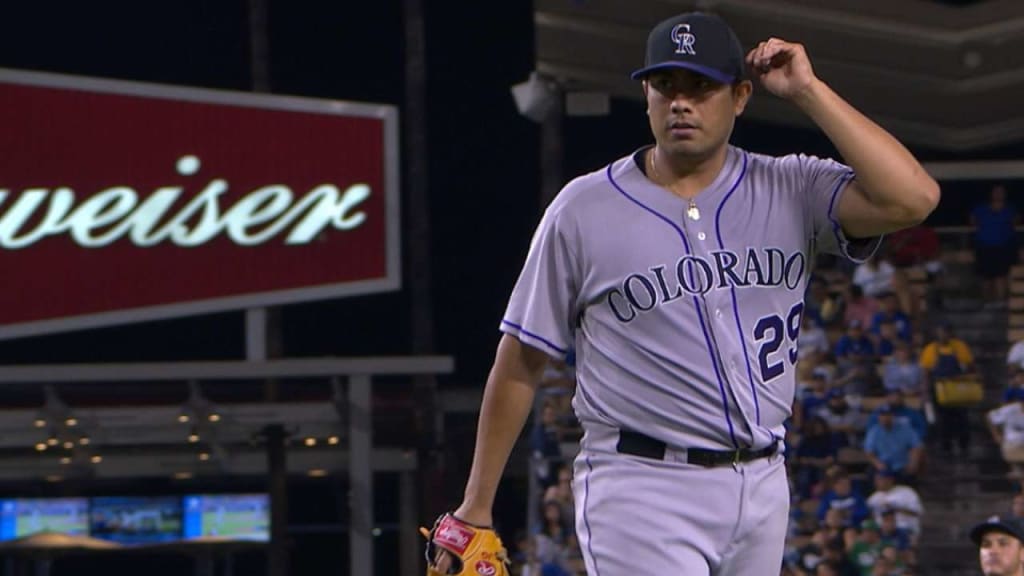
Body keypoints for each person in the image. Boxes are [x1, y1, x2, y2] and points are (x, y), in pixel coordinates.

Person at [430, 11, 939, 575]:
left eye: (701, 86)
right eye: (665, 85)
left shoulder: (791, 186)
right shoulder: (582, 209)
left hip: (764, 480)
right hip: (642, 486)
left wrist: (808, 92)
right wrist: (476, 504)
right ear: (646, 95)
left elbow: (911, 198)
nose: (681, 102)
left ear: (741, 96)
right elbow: (522, 357)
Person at [971, 184, 1019, 305]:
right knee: (985, 277)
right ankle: (986, 302)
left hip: (1003, 247)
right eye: (996, 192)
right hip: (985, 246)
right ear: (991, 194)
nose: (998, 194)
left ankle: (1000, 303)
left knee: (1001, 276)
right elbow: (972, 221)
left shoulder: (1010, 209)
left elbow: (1016, 222)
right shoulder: (981, 209)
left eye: (1001, 192)